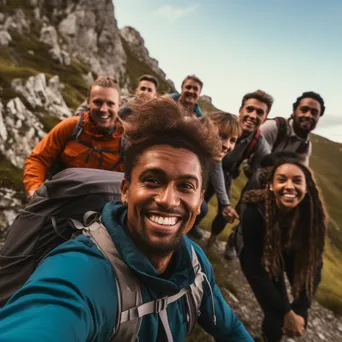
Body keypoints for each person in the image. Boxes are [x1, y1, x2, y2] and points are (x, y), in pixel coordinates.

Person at [0, 97, 253, 342]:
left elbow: (230, 330)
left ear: (199, 202)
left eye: (186, 186)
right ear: (125, 190)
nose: (168, 200)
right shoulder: (79, 271)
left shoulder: (195, 264)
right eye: (152, 180)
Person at [238, 158, 327, 342]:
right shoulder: (254, 213)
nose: (289, 186)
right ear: (270, 185)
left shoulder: (311, 215)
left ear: (307, 186)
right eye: (281, 179)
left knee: (299, 312)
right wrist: (286, 310)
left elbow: (314, 264)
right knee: (276, 316)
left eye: (297, 180)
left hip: (288, 248)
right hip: (256, 253)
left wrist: (300, 308)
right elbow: (257, 270)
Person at [23, 76, 124, 196]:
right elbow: (38, 159)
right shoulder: (71, 127)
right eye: (98, 102)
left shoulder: (128, 141)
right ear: (88, 102)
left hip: (104, 209)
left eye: (110, 104)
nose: (103, 109)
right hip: (60, 201)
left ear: (120, 104)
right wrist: (34, 190)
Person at [199, 90, 272, 249]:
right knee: (199, 203)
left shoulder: (259, 143)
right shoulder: (222, 122)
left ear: (265, 118)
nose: (253, 115)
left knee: (224, 212)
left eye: (259, 113)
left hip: (224, 173)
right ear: (240, 110)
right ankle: (189, 229)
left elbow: (266, 167)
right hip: (202, 166)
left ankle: (212, 239)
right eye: (249, 109)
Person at [189, 111, 241, 240]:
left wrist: (225, 204)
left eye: (232, 140)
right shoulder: (186, 146)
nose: (227, 145)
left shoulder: (213, 155)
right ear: (204, 129)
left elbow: (218, 175)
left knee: (202, 207)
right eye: (222, 136)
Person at [260, 91, 325, 166]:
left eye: (314, 113)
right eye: (304, 110)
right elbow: (257, 165)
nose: (308, 115)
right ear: (294, 112)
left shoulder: (305, 145)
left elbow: (302, 171)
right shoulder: (271, 128)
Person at [74, 74, 159, 116]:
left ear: (155, 95)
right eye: (142, 88)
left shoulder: (158, 114)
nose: (145, 92)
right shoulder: (120, 100)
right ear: (137, 90)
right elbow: (80, 112)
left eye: (149, 90)